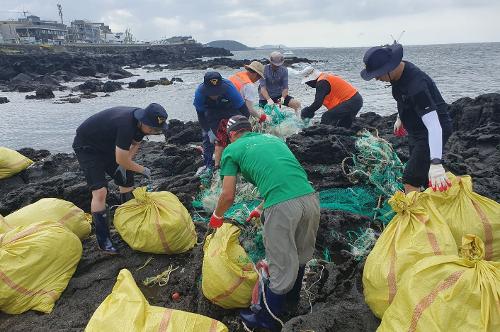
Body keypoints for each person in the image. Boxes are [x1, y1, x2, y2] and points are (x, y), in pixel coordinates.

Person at [209, 115, 320, 330]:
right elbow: (282, 177)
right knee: (300, 255)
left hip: (283, 208)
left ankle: (266, 321)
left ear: (232, 135)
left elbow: (228, 195)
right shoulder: (273, 139)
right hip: (310, 199)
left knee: (279, 267)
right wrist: (260, 208)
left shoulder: (232, 150)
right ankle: (291, 304)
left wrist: (217, 216)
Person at [72, 103, 168, 254]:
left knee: (126, 182)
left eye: (157, 129)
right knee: (100, 191)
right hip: (87, 147)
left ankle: (129, 224)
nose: (153, 131)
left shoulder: (142, 124)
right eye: (151, 128)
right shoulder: (126, 125)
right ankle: (103, 240)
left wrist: (127, 163)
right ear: (143, 121)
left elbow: (135, 144)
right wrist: (142, 169)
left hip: (108, 146)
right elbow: (120, 159)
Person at [361, 42, 453, 193]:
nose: (376, 79)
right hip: (416, 130)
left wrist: (436, 163)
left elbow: (435, 125)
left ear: (390, 67)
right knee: (422, 174)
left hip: (430, 132)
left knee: (410, 179)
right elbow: (403, 99)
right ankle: (434, 204)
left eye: (378, 74)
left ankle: (416, 215)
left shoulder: (417, 86)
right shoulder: (398, 74)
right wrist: (400, 118)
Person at [193, 71, 249, 171]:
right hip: (210, 111)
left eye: (217, 92)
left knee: (237, 133)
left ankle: (241, 159)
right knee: (209, 138)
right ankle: (210, 166)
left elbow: (244, 111)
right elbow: (201, 116)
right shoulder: (199, 93)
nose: (214, 95)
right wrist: (209, 132)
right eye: (211, 93)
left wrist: (245, 128)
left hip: (229, 108)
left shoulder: (230, 89)